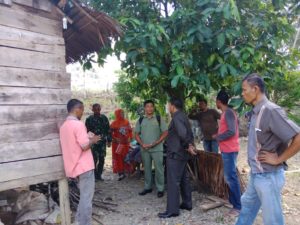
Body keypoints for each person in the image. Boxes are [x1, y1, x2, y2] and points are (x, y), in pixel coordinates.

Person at [236, 74, 300, 225]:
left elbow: (298, 137)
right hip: (257, 175)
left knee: (273, 221)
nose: (242, 93)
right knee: (246, 209)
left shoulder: (271, 111)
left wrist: (278, 159)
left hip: (268, 177)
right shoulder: (256, 112)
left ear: (255, 89)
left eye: (244, 90)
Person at [59, 99, 101, 225]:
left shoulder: (64, 126)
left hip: (73, 166)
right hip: (84, 166)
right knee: (87, 198)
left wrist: (88, 137)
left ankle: (78, 220)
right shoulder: (78, 124)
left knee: (84, 197)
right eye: (82, 109)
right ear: (77, 109)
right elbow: (84, 146)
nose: (82, 112)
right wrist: (93, 140)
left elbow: (73, 144)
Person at [158, 98, 197, 219]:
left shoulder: (176, 118)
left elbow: (183, 134)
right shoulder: (183, 116)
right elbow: (188, 133)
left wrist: (188, 145)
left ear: (172, 106)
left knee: (173, 181)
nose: (168, 107)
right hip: (182, 154)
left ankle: (173, 210)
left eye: (168, 105)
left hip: (176, 154)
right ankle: (187, 203)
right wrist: (189, 145)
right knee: (184, 178)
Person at [213, 90, 241, 217]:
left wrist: (218, 137)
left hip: (230, 149)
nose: (216, 103)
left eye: (216, 101)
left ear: (219, 101)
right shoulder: (226, 113)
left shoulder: (228, 113)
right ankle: (233, 202)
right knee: (229, 177)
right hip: (227, 149)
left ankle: (237, 207)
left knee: (231, 178)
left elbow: (231, 131)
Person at [135, 100, 168, 198]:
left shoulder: (158, 118)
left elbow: (165, 132)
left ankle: (160, 188)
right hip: (144, 149)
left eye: (151, 106)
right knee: (147, 169)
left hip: (157, 148)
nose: (149, 108)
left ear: (154, 108)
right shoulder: (141, 120)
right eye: (147, 106)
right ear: (144, 108)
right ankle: (147, 187)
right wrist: (142, 144)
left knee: (159, 169)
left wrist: (157, 142)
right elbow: (136, 134)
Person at [85, 103, 112, 181]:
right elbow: (87, 131)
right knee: (94, 159)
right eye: (95, 109)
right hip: (93, 143)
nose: (97, 111)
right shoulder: (89, 119)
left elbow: (108, 130)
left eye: (98, 109)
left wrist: (109, 140)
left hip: (102, 142)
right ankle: (94, 176)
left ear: (100, 109)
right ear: (92, 110)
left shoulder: (104, 118)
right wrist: (90, 140)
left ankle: (99, 175)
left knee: (102, 159)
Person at [110, 109, 133, 181]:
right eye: (121, 113)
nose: (122, 114)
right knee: (119, 158)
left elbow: (130, 131)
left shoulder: (126, 122)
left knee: (125, 156)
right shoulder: (114, 123)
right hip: (118, 144)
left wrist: (130, 137)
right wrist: (115, 138)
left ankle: (126, 171)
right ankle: (120, 173)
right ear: (117, 114)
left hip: (125, 143)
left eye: (123, 113)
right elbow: (109, 133)